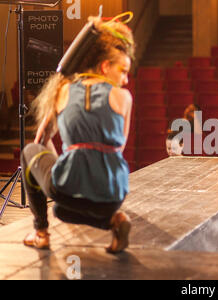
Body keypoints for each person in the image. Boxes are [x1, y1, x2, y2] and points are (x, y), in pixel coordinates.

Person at [20, 15, 135, 253]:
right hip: (112, 196)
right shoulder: (123, 98)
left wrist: (66, 165)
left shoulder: (63, 90)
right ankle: (114, 220)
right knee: (60, 211)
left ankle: (40, 232)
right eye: (123, 71)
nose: (125, 79)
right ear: (105, 67)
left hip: (68, 189)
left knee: (29, 151)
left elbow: (41, 141)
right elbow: (118, 149)